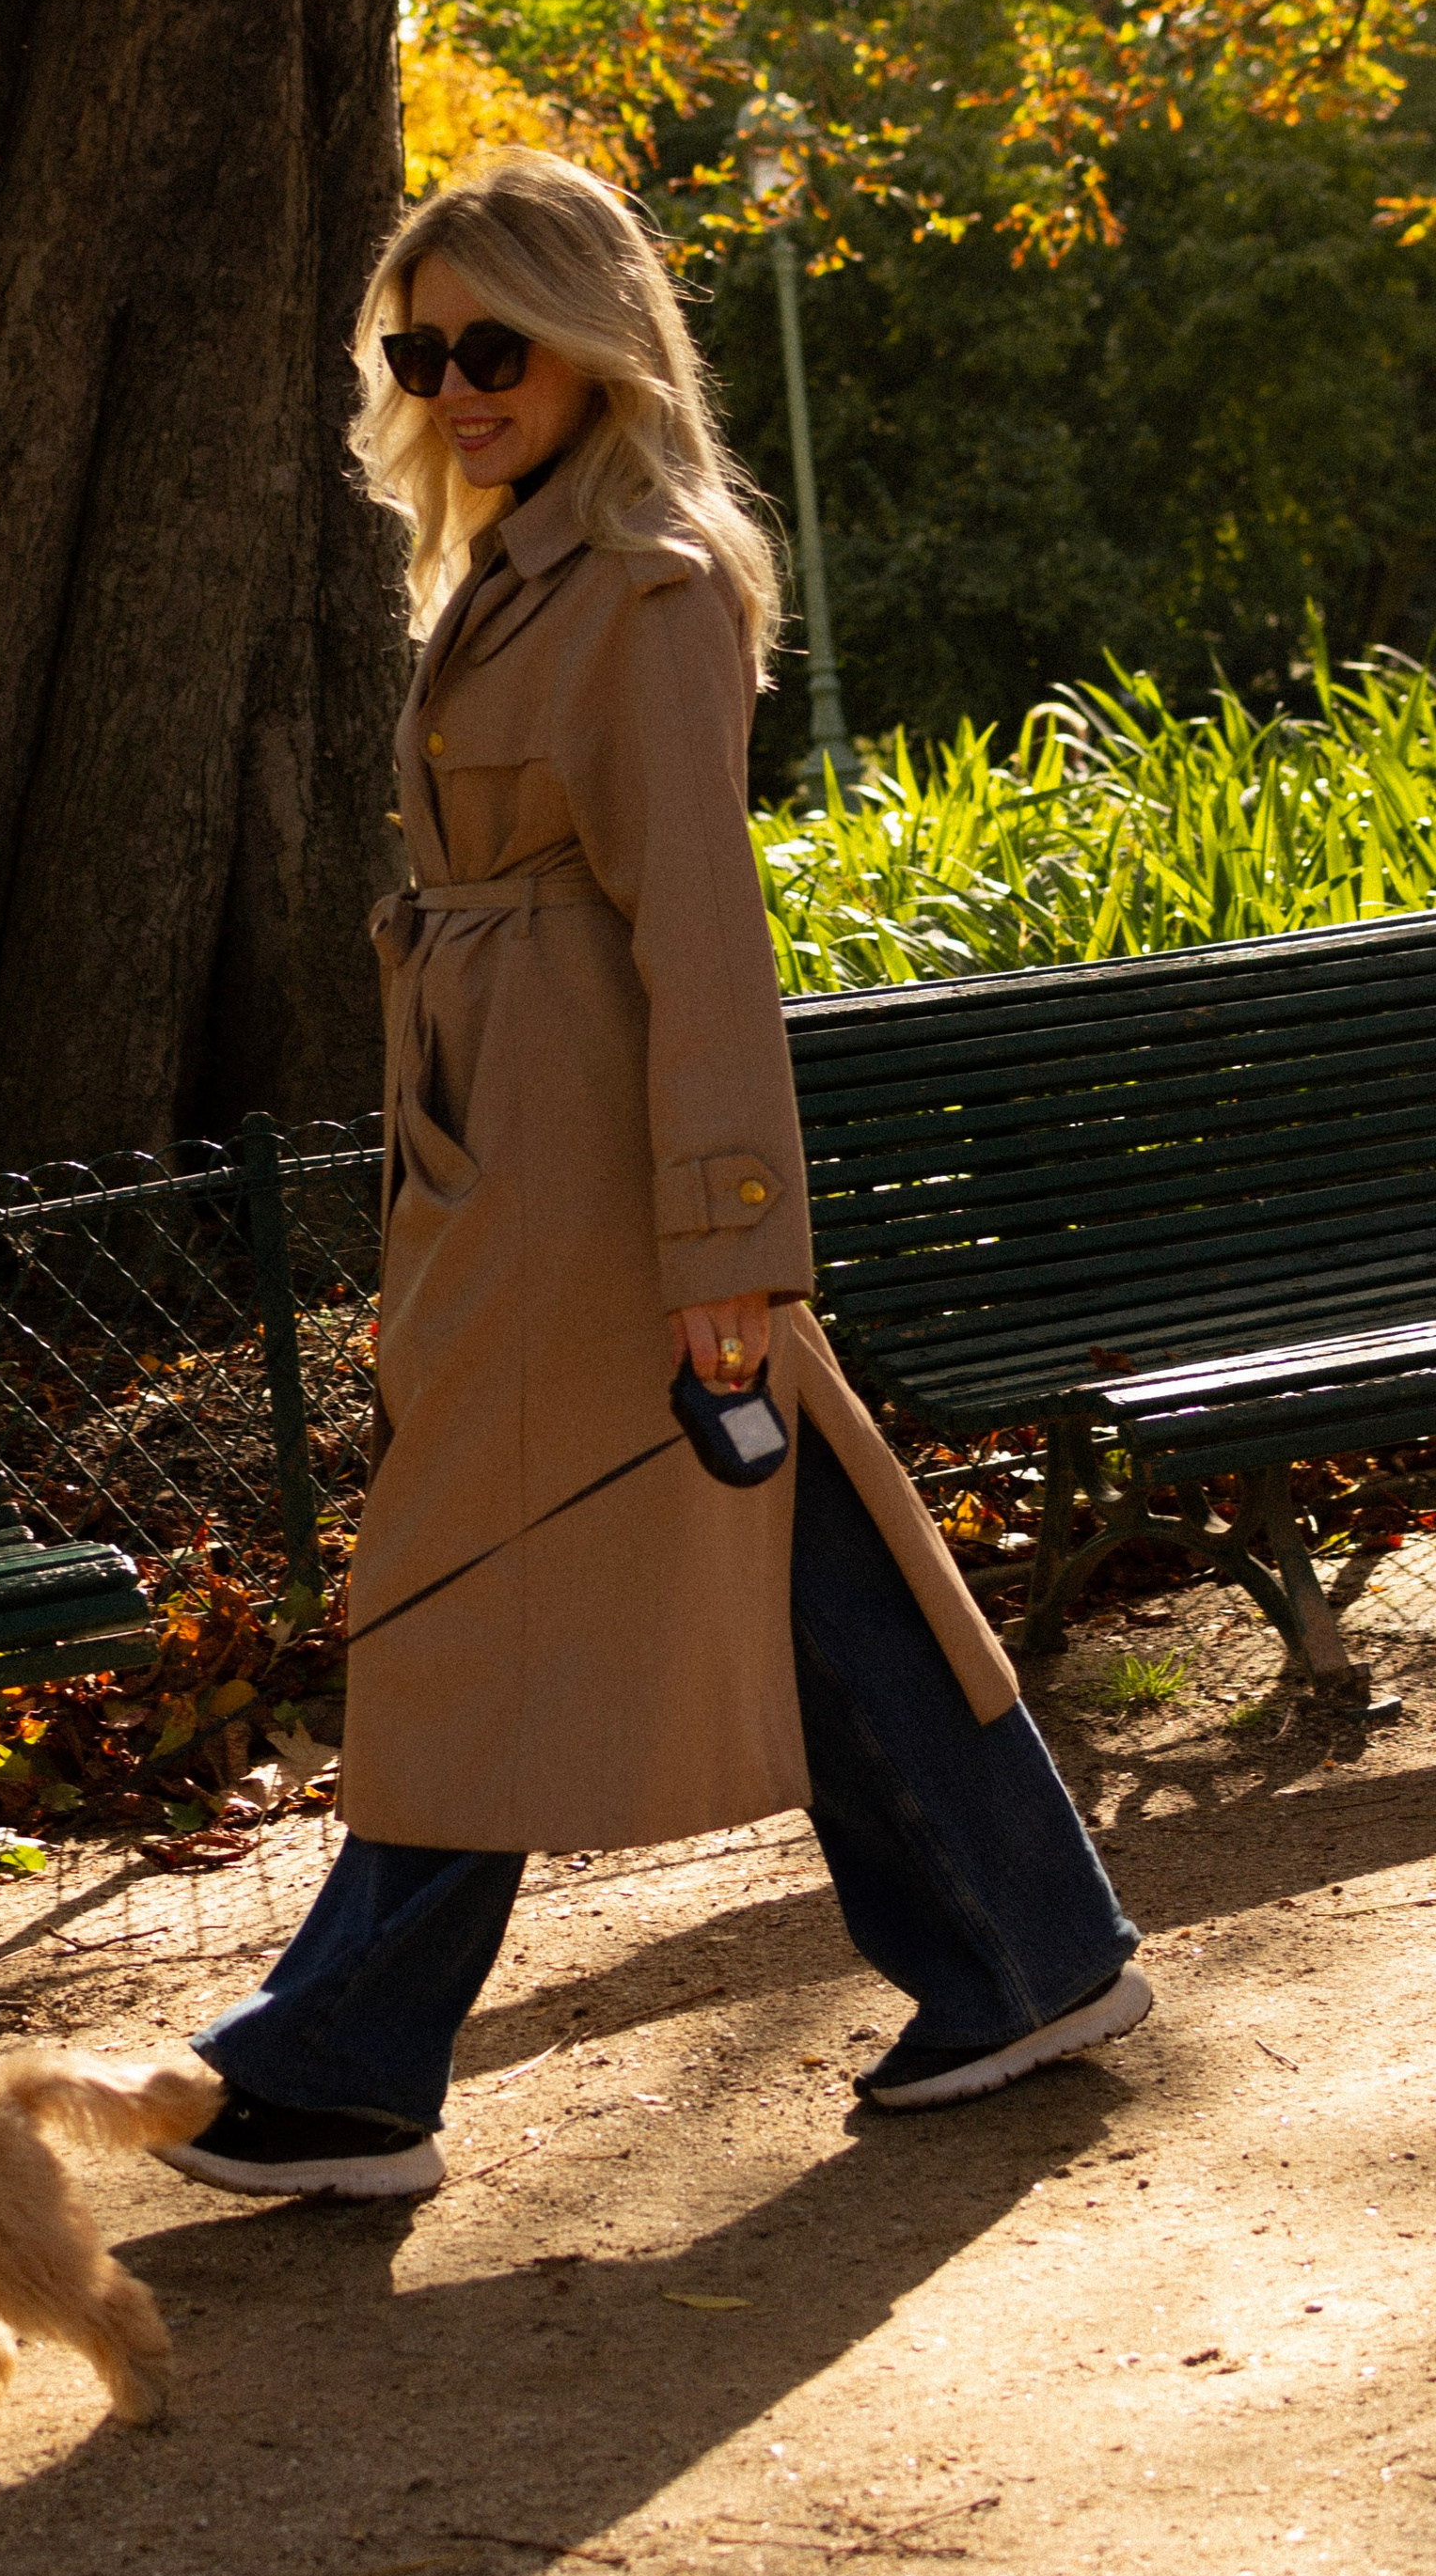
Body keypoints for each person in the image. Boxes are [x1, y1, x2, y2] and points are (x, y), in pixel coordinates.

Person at [161, 149, 1146, 2204]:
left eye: (492, 342)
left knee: (464, 1577)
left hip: (592, 1175)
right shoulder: (523, 561)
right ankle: (1026, 1951)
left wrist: (726, 1241)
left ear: (592, 333)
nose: (454, 384)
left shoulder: (646, 585)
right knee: (781, 1546)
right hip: (511, 1146)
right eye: (420, 352)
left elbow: (699, 929)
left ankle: (343, 2057)